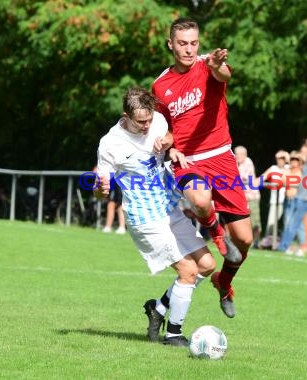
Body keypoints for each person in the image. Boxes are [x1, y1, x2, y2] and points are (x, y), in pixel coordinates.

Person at [95, 87, 216, 347]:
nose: (147, 125)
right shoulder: (111, 143)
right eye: (141, 121)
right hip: (144, 217)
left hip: (168, 206)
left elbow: (173, 135)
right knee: (188, 271)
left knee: (207, 265)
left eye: (150, 119)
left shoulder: (157, 121)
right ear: (126, 115)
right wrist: (100, 189)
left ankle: (159, 309)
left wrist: (170, 142)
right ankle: (173, 334)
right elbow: (101, 191)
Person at [152, 17, 251, 318]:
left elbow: (223, 75)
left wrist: (217, 64)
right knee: (200, 199)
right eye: (183, 43)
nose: (189, 49)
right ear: (171, 44)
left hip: (222, 157)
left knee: (245, 240)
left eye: (194, 43)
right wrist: (169, 145)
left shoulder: (209, 66)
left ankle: (224, 281)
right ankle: (220, 241)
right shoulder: (160, 86)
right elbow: (161, 128)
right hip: (188, 161)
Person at [277, 136, 307, 255]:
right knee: (295, 224)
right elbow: (293, 161)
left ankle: (284, 246)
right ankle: (295, 247)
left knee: (294, 223)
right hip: (299, 196)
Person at [260, 150, 290, 246]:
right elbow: (262, 177)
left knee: (283, 222)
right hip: (274, 200)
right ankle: (268, 241)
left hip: (285, 200)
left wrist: (286, 157)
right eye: (278, 159)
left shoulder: (288, 168)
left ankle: (280, 242)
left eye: (282, 159)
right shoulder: (273, 168)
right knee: (271, 222)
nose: (280, 161)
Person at [234, 145, 262, 248]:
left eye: (240, 154)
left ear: (245, 155)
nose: (238, 156)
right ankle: (247, 241)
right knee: (243, 221)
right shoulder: (237, 164)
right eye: (236, 154)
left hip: (251, 197)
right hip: (242, 198)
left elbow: (242, 178)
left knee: (255, 221)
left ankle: (257, 242)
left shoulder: (248, 163)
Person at [281, 151, 306, 255]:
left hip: (297, 200)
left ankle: (303, 246)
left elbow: (293, 182)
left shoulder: (302, 171)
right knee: (287, 223)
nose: (293, 162)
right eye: (292, 160)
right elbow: (282, 181)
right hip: (288, 200)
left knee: (298, 224)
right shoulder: (287, 171)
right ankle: (288, 246)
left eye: (296, 160)